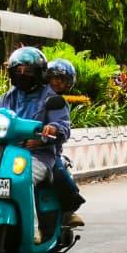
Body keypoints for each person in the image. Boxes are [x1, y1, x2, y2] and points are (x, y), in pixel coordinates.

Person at [0, 47, 81, 228]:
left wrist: (50, 131)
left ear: (39, 73)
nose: (22, 75)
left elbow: (63, 127)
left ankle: (33, 229)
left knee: (22, 181)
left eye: (28, 71)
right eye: (18, 71)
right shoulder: (7, 97)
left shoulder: (51, 98)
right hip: (4, 153)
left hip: (38, 155)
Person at [44, 58, 86, 226]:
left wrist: (53, 129)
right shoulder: (19, 94)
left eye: (63, 80)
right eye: (56, 78)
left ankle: (69, 208)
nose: (59, 83)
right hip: (17, 146)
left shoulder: (59, 102)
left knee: (57, 172)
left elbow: (64, 126)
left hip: (47, 149)